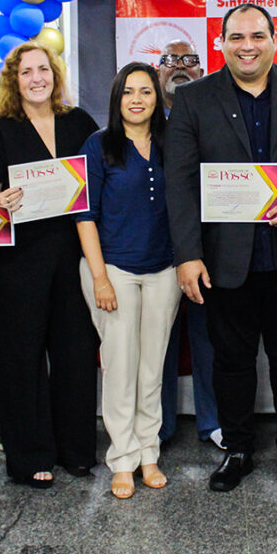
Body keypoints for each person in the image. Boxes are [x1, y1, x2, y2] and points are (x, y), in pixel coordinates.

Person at [164, 3, 277, 494]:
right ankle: (238, 449)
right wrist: (187, 254)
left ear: (274, 39)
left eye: (258, 36)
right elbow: (179, 183)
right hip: (223, 261)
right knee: (231, 361)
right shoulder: (194, 98)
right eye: (237, 37)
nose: (248, 46)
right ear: (221, 42)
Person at [0, 42, 100, 487]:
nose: (36, 78)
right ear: (14, 80)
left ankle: (77, 449)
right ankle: (30, 455)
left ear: (55, 74)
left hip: (73, 256)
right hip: (16, 263)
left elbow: (97, 183)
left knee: (75, 354)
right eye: (26, 72)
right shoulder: (1, 130)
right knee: (20, 360)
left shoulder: (79, 123)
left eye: (43, 69)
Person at [77, 62, 180, 499]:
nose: (137, 99)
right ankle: (122, 459)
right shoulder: (99, 145)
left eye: (146, 91)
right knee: (120, 369)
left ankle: (149, 454)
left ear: (157, 99)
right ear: (117, 98)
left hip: (164, 270)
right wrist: (100, 277)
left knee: (151, 368)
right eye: (128, 92)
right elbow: (85, 216)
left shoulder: (172, 143)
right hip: (112, 270)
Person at [155, 39, 222, 450]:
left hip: (206, 246)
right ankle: (158, 426)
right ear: (157, 70)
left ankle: (213, 421)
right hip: (153, 249)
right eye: (170, 60)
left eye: (189, 61)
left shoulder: (212, 115)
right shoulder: (142, 118)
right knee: (158, 341)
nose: (179, 67)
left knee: (208, 339)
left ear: (201, 71)